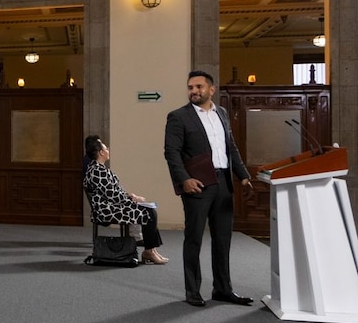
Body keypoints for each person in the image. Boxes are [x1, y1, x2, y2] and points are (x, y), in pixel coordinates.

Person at [164, 70, 254, 308]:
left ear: (211, 90)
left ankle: (223, 289)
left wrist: (243, 176)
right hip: (198, 184)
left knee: (223, 239)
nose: (194, 91)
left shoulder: (221, 113)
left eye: (199, 87)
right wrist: (184, 179)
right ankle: (192, 291)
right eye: (190, 87)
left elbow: (230, 147)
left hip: (224, 182)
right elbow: (171, 152)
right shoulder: (178, 117)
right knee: (193, 238)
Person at [84, 135, 168, 264]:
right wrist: (133, 200)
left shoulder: (99, 169)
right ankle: (149, 251)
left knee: (149, 209)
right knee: (149, 212)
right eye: (106, 148)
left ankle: (152, 250)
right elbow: (113, 196)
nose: (108, 150)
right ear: (101, 152)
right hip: (107, 210)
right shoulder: (97, 171)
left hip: (113, 205)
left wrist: (131, 197)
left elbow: (114, 192)